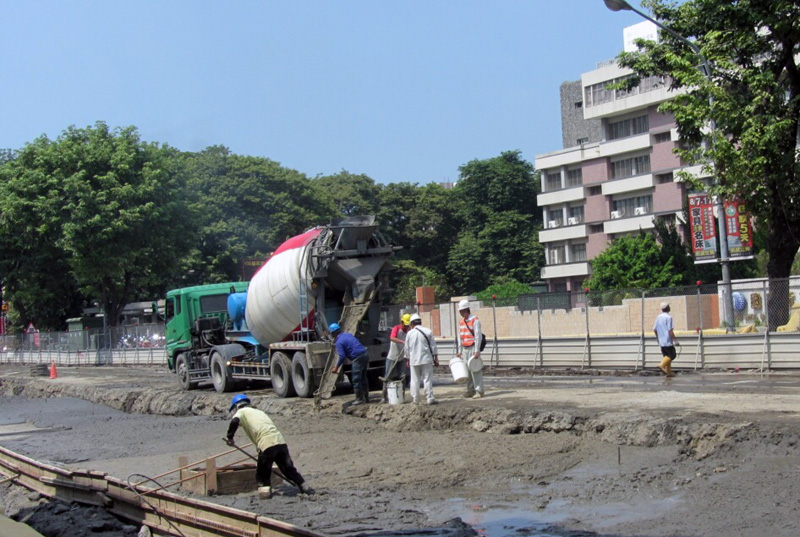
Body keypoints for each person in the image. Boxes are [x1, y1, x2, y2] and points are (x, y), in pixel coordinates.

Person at [225, 394, 313, 499]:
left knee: (263, 470)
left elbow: (234, 421)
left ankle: (264, 493)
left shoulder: (241, 412)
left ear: (236, 406)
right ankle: (304, 486)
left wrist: (230, 437)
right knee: (288, 468)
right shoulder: (259, 412)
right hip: (280, 441)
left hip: (266, 442)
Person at [329, 322, 371, 405]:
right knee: (363, 378)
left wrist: (336, 367)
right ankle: (366, 398)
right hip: (365, 354)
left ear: (333, 333)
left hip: (357, 358)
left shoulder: (339, 342)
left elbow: (342, 356)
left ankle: (359, 399)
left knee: (356, 379)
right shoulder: (348, 335)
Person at [403, 313, 439, 405]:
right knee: (427, 379)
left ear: (411, 324)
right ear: (420, 322)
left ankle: (415, 399)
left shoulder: (409, 334)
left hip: (414, 360)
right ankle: (430, 398)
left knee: (414, 380)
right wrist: (436, 358)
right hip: (426, 359)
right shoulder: (428, 331)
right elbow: (433, 346)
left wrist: (407, 359)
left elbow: (407, 348)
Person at [455, 299, 484, 398]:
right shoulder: (462, 322)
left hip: (472, 347)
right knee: (467, 370)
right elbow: (460, 337)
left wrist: (477, 350)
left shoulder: (475, 320)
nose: (461, 313)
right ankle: (470, 390)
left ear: (467, 309)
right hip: (465, 348)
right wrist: (459, 351)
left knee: (475, 369)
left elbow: (477, 336)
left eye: (462, 310)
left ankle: (479, 390)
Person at [381, 313, 411, 403]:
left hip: (402, 358)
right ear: (402, 322)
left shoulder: (409, 332)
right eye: (405, 325)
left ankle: (401, 396)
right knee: (388, 376)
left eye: (407, 325)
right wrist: (402, 341)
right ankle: (383, 396)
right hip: (392, 357)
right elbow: (392, 338)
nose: (406, 327)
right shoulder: (396, 328)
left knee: (402, 377)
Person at [653, 302, 678, 377]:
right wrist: (675, 340)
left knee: (666, 356)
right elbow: (670, 330)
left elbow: (654, 329)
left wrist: (658, 337)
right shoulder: (668, 317)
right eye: (669, 306)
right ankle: (661, 365)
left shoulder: (658, 317)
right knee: (672, 355)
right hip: (667, 341)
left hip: (661, 341)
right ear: (667, 308)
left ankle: (669, 372)